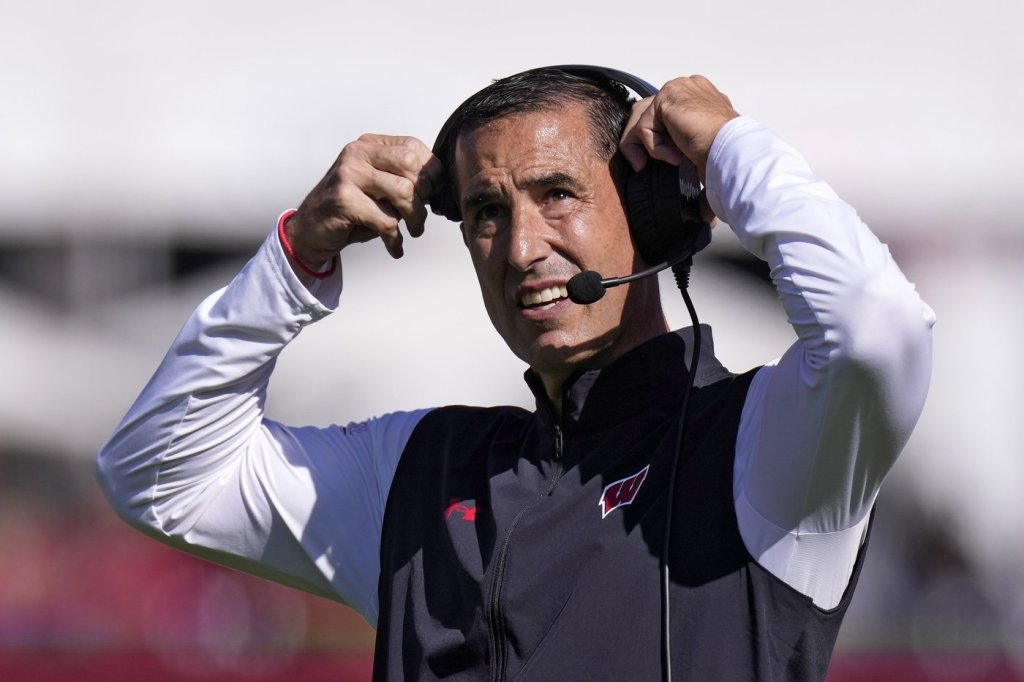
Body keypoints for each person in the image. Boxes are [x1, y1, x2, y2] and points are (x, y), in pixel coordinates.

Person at [96, 67, 935, 680]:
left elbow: (877, 327)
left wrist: (728, 147)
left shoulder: (767, 445)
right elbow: (160, 475)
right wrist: (295, 259)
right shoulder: (418, 470)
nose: (524, 248)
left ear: (653, 213)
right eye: (489, 211)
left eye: (558, 193)